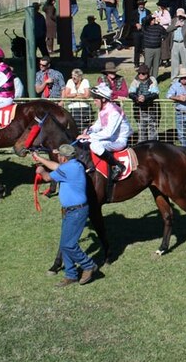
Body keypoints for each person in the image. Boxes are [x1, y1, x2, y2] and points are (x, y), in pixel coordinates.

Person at [32, 144, 99, 287]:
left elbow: (47, 177)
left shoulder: (67, 168)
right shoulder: (75, 165)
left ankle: (88, 265)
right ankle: (71, 275)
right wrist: (40, 158)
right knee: (65, 244)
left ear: (63, 157)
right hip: (72, 211)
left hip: (75, 212)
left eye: (59, 155)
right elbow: (57, 166)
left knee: (69, 245)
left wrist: (41, 169)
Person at [78, 83, 133, 181]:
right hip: (110, 138)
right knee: (82, 141)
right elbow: (98, 125)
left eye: (95, 100)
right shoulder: (102, 109)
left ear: (103, 99)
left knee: (95, 145)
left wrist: (90, 137)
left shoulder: (114, 111)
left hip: (119, 140)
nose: (94, 102)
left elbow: (108, 133)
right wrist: (89, 130)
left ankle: (118, 165)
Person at [128, 65, 160, 142]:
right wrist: (137, 98)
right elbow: (131, 93)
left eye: (143, 73)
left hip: (151, 109)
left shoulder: (152, 80)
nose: (141, 75)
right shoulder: (135, 80)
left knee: (153, 129)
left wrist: (145, 98)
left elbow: (155, 93)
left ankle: (153, 146)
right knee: (141, 129)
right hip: (139, 109)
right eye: (139, 73)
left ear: (147, 73)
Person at [166, 8, 186, 80]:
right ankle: (174, 79)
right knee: (175, 63)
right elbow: (168, 29)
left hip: (184, 43)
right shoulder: (174, 20)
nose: (179, 16)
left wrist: (185, 15)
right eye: (178, 14)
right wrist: (175, 25)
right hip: (175, 43)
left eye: (181, 14)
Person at [131, 0, 152, 68]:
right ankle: (136, 63)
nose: (141, 6)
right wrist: (136, 24)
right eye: (140, 4)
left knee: (145, 48)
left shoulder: (148, 12)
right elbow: (130, 22)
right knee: (137, 48)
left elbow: (150, 21)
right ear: (138, 5)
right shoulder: (134, 13)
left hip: (145, 31)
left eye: (142, 4)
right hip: (136, 32)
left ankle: (147, 62)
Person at [152, 2, 173, 66]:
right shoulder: (159, 12)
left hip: (165, 30)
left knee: (165, 45)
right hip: (159, 30)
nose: (158, 7)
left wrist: (160, 19)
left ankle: (167, 59)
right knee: (160, 45)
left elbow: (168, 21)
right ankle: (160, 59)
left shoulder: (166, 12)